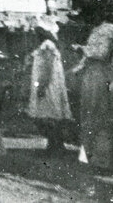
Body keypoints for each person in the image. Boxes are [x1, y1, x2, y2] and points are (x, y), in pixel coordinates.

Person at [72, 7, 113, 170]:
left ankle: (102, 160)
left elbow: (102, 53)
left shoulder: (108, 30)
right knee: (88, 115)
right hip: (92, 74)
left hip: (101, 74)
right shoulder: (97, 30)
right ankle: (87, 157)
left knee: (100, 116)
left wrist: (84, 50)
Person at [25, 15, 72, 156]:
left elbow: (47, 67)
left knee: (49, 115)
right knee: (52, 114)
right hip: (51, 83)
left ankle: (55, 145)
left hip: (48, 84)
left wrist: (42, 86)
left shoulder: (47, 45)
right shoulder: (48, 45)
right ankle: (55, 144)